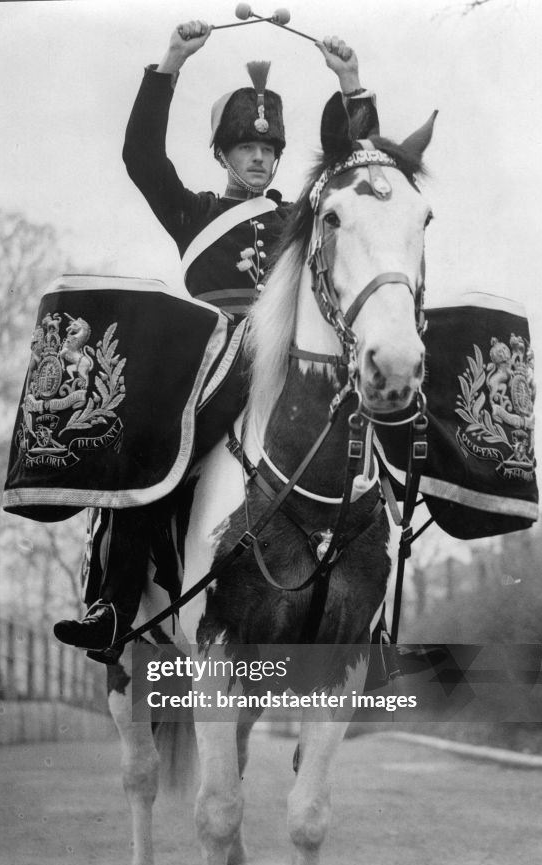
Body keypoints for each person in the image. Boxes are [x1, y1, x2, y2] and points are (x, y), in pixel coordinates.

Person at [53, 20, 379, 655]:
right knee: (148, 457)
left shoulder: (298, 220)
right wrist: (170, 64)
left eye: (268, 152)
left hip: (287, 365)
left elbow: (352, 173)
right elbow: (141, 158)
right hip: (214, 365)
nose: (259, 159)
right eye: (245, 149)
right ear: (222, 155)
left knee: (374, 456)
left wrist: (350, 85)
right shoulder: (194, 212)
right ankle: (113, 607)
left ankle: (364, 615)